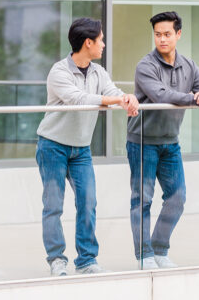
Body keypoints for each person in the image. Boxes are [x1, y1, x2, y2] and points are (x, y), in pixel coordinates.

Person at [36, 17, 138, 276]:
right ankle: (57, 259)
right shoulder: (59, 72)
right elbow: (78, 99)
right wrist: (114, 100)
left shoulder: (98, 72)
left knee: (88, 202)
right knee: (53, 205)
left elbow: (112, 91)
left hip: (81, 149)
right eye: (100, 39)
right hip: (53, 146)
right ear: (87, 42)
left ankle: (86, 260)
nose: (103, 44)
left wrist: (125, 98)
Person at [126, 10, 199, 269]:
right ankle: (144, 256)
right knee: (142, 200)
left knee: (177, 198)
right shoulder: (146, 66)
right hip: (142, 141)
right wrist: (195, 99)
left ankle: (159, 249)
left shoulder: (188, 65)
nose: (162, 39)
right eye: (158, 35)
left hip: (170, 142)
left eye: (167, 34)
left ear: (178, 34)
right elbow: (161, 95)